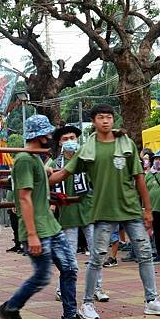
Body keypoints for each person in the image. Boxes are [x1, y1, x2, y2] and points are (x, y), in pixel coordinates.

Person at [50, 104, 160, 319]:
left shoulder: (126, 144)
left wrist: (148, 209)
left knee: (145, 255)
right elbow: (64, 173)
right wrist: (40, 180)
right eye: (100, 117)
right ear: (94, 122)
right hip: (103, 213)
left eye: (108, 117)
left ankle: (151, 300)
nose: (105, 121)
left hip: (131, 210)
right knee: (97, 258)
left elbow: (139, 178)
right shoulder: (88, 148)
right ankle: (87, 303)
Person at [0, 115, 98, 319]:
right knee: (42, 275)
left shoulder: (36, 159)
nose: (51, 136)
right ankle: (11, 308)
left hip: (50, 226)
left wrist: (65, 166)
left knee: (70, 268)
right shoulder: (24, 160)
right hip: (38, 229)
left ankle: (70, 318)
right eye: (47, 133)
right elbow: (24, 197)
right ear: (39, 135)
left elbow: (50, 180)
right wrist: (32, 235)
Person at [50, 125, 108, 303]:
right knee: (68, 255)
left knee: (96, 252)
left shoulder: (85, 159)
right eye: (66, 139)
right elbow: (48, 186)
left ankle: (97, 288)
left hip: (89, 212)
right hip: (68, 216)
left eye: (73, 138)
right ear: (60, 143)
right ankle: (63, 289)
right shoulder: (54, 165)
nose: (70, 142)